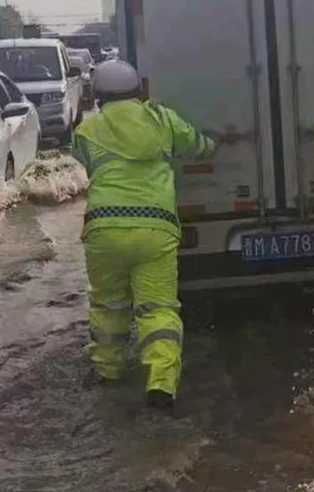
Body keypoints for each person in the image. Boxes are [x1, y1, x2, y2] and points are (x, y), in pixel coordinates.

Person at [72, 59, 217, 410]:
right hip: (156, 228)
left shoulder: (86, 132)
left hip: (104, 229)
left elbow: (86, 165)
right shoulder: (162, 119)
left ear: (98, 96)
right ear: (139, 90)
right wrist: (212, 144)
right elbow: (197, 145)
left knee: (109, 305)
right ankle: (162, 384)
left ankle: (109, 372)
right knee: (159, 309)